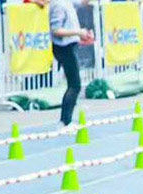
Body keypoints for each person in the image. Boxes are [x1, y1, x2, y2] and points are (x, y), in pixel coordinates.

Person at [47, 0, 93, 128]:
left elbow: (82, 2)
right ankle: (65, 121)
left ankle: (66, 120)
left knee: (74, 84)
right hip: (63, 47)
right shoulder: (58, 4)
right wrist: (78, 32)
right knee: (74, 84)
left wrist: (80, 34)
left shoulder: (66, 2)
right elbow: (56, 30)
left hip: (70, 45)